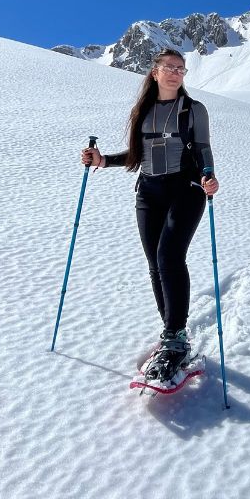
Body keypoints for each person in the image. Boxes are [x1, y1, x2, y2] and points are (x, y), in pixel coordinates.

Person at [81, 48, 219, 381]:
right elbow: (137, 154)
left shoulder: (192, 109)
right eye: (170, 67)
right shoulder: (141, 111)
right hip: (149, 192)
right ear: (154, 72)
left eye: (181, 69)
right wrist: (102, 161)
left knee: (169, 257)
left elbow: (202, 148)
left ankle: (176, 335)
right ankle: (171, 333)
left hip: (186, 189)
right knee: (155, 264)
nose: (176, 73)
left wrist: (207, 174)